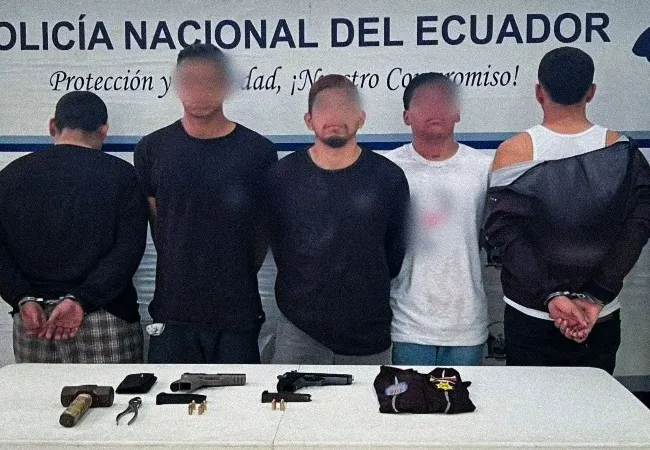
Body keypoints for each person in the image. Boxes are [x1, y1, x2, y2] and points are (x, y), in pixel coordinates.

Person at [484, 46, 650, 374]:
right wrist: (595, 296)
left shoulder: (515, 152)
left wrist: (552, 297)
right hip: (597, 316)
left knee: (530, 405)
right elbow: (636, 232)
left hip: (531, 314)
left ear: (538, 92)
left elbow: (507, 237)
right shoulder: (624, 152)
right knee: (593, 403)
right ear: (591, 92)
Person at [134, 43, 277, 364]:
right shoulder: (152, 149)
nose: (198, 90)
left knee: (240, 398)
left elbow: (260, 234)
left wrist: (231, 269)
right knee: (168, 397)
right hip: (173, 311)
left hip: (236, 312)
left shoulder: (258, 152)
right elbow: (160, 227)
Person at [268, 74, 410, 364]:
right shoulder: (283, 176)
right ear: (308, 120)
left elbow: (394, 253)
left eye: (345, 107)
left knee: (369, 397)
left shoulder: (388, 178)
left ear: (361, 117)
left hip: (368, 333)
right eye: (325, 108)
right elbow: (278, 245)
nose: (335, 116)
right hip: (299, 331)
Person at [0, 91, 148, 363]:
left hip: (34, 320)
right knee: (115, 392)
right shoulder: (122, 176)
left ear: (52, 126)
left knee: (39, 393)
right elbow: (128, 250)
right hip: (105, 316)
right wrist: (82, 300)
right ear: (103, 131)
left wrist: (21, 298)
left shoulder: (9, 176)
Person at [386, 73, 490, 366]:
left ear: (457, 113)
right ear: (406, 116)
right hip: (406, 323)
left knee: (465, 397)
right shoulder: (387, 170)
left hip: (466, 324)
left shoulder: (484, 168)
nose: (435, 109)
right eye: (424, 103)